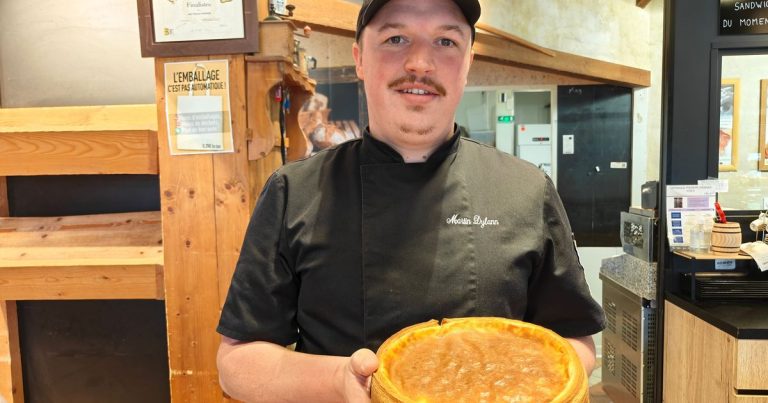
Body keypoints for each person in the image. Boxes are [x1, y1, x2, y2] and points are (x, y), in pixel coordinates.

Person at [216, 0, 605, 402]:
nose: (420, 62)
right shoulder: (292, 191)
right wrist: (338, 379)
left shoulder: (526, 189)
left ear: (467, 62)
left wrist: (509, 388)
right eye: (395, 38)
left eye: (446, 41)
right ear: (360, 59)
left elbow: (573, 340)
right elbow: (237, 364)